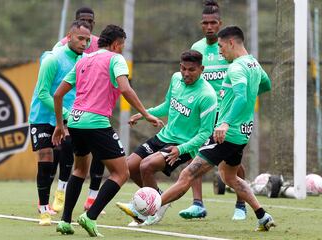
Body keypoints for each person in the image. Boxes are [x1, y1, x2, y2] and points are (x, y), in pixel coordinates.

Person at [154, 26, 275, 232]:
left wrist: (226, 122)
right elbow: (266, 85)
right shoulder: (253, 63)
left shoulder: (236, 67)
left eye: (220, 46)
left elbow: (241, 97)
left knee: (188, 174)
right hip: (243, 133)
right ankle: (262, 216)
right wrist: (244, 106)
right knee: (229, 177)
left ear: (231, 43)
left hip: (227, 133)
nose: (219, 51)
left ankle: (147, 209)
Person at [52, 24, 163, 237]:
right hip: (95, 122)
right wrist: (146, 114)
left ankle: (65, 221)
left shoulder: (83, 60)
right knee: (122, 173)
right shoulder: (115, 59)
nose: (122, 50)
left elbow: (57, 95)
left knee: (79, 170)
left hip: (75, 122)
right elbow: (125, 88)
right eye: (122, 46)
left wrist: (60, 125)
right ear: (115, 44)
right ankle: (90, 216)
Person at [116, 50, 218, 226]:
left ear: (201, 69)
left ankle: (149, 211)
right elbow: (167, 105)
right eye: (184, 68)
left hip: (183, 145)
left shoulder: (207, 96)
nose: (186, 73)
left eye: (192, 70)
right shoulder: (176, 79)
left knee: (146, 166)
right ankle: (160, 201)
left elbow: (205, 134)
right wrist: (144, 114)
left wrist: (181, 149)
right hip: (164, 136)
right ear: (180, 66)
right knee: (129, 166)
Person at [179, 0, 247, 221]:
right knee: (195, 156)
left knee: (232, 164)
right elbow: (191, 77)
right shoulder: (197, 48)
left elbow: (243, 79)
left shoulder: (229, 48)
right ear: (201, 24)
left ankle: (241, 204)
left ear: (220, 24)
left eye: (213, 23)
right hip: (204, 112)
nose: (209, 26)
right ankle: (197, 204)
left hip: (226, 114)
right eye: (206, 23)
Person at [28, 20, 91, 226]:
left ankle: (61, 192)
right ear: (69, 36)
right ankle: (44, 208)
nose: (84, 43)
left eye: (87, 40)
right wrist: (63, 114)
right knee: (46, 158)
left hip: (70, 117)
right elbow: (43, 93)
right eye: (80, 38)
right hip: (43, 116)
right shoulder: (53, 59)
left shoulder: (85, 61)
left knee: (68, 152)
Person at [49, 6, 106, 215]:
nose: (88, 23)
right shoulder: (62, 47)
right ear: (75, 24)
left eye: (90, 20)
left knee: (101, 150)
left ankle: (92, 198)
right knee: (68, 146)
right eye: (83, 19)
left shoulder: (99, 44)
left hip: (96, 106)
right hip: (72, 107)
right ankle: (61, 191)